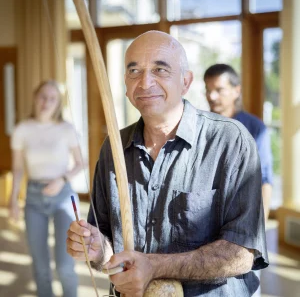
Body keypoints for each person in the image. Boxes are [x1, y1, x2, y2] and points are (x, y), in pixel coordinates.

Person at [67, 31, 268, 297]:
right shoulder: (114, 148)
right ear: (126, 83)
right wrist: (96, 248)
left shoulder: (231, 140)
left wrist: (154, 266)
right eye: (134, 71)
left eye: (160, 69)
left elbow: (242, 252)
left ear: (185, 82)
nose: (145, 81)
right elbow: (109, 248)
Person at [9, 80, 85, 297]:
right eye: (43, 96)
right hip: (33, 198)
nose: (46, 102)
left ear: (58, 103)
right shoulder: (22, 129)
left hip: (63, 196)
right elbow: (17, 169)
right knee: (40, 267)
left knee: (64, 265)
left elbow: (81, 163)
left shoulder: (66, 129)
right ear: (35, 97)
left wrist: (62, 179)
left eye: (52, 98)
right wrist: (14, 200)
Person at [203, 64, 273, 222]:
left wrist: (260, 224)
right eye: (208, 89)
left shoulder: (255, 128)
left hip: (242, 217)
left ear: (236, 91)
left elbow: (264, 179)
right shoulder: (200, 127)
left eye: (219, 90)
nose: (211, 96)